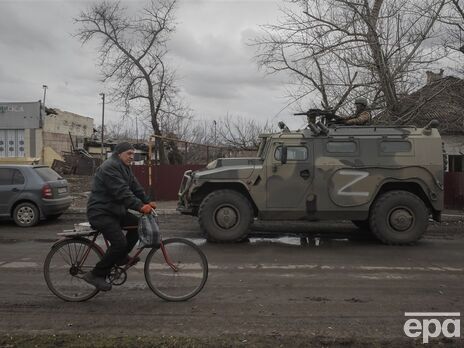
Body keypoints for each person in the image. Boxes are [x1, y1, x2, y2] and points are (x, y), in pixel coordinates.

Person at [83, 142, 156, 291]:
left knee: (138, 226)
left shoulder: (125, 168)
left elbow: (135, 188)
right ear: (119, 154)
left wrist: (148, 202)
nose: (132, 157)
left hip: (114, 211)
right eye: (129, 153)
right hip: (100, 212)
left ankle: (120, 257)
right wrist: (140, 206)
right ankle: (96, 274)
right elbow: (122, 192)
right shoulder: (110, 167)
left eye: (133, 154)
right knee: (120, 243)